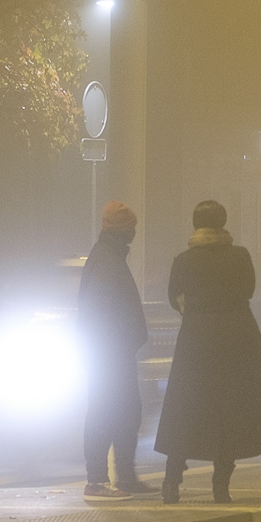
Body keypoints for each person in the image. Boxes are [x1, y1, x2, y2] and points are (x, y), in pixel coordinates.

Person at [155, 200, 261, 503]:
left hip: (195, 342)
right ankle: (221, 486)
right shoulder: (240, 256)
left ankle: (171, 482)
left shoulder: (183, 260)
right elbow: (249, 290)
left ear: (195, 224)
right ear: (223, 222)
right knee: (230, 412)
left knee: (185, 410)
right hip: (237, 340)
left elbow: (174, 299)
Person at [79, 200, 152, 501]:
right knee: (106, 412)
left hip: (112, 352)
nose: (135, 233)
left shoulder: (108, 256)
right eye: (131, 227)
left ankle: (125, 477)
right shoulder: (108, 261)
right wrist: (124, 341)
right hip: (110, 354)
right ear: (123, 230)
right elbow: (106, 311)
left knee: (124, 413)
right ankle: (97, 482)